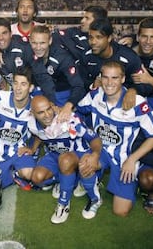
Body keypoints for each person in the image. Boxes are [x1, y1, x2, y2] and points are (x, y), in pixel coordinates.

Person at [76, 61, 153, 217]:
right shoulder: (95, 95)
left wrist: (132, 159)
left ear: (123, 79)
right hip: (100, 149)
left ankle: (132, 178)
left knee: (121, 211)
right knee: (85, 163)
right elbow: (78, 112)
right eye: (106, 77)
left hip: (124, 157)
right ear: (100, 78)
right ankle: (94, 197)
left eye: (115, 78)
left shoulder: (137, 103)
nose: (109, 83)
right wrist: (87, 135)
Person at [29, 96, 102, 224]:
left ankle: (65, 204)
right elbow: (39, 135)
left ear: (52, 107)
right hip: (55, 155)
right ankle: (69, 180)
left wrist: (94, 155)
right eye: (41, 112)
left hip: (78, 154)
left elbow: (94, 138)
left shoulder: (69, 119)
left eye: (48, 109)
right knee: (36, 177)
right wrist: (33, 148)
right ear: (32, 113)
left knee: (65, 160)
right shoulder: (31, 124)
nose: (47, 115)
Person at [80, 18, 153, 109]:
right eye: (91, 37)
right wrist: (93, 85)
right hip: (99, 103)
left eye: (99, 37)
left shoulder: (128, 57)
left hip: (125, 104)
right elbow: (81, 83)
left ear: (109, 38)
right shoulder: (86, 56)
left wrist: (133, 90)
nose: (93, 42)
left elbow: (145, 85)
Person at [0, 67, 38, 191]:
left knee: (30, 174)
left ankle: (17, 174)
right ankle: (10, 174)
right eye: (15, 83)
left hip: (18, 152)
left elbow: (46, 130)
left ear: (31, 88)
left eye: (23, 84)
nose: (18, 88)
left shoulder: (34, 107)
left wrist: (33, 148)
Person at [0, 18, 56, 102]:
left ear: (10, 33)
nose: (1, 38)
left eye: (4, 33)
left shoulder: (24, 47)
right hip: (15, 93)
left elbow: (43, 77)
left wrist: (51, 102)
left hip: (35, 91)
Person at [29, 25, 85, 122]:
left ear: (50, 41)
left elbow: (79, 86)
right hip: (43, 94)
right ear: (30, 41)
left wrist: (68, 106)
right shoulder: (28, 51)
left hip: (64, 96)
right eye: (34, 43)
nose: (38, 47)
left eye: (42, 43)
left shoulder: (63, 58)